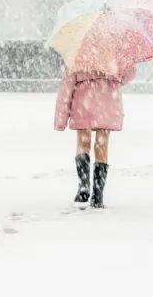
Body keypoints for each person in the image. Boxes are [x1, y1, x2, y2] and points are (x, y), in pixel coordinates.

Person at [53, 65, 137, 208]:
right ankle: (98, 195)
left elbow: (65, 90)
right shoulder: (114, 55)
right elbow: (129, 74)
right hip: (108, 103)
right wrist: (114, 79)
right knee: (101, 146)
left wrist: (60, 120)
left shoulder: (78, 55)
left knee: (83, 142)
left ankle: (84, 186)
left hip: (83, 103)